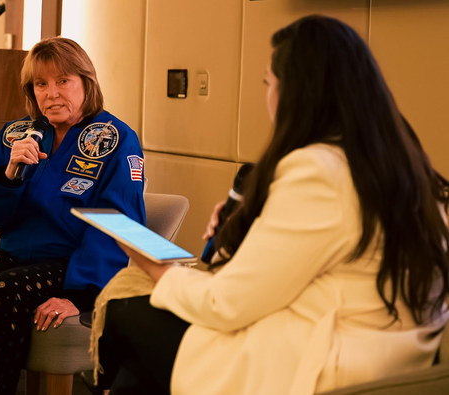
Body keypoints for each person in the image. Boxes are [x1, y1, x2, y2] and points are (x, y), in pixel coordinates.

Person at [92, 15, 449, 395]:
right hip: (397, 354)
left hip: (326, 362)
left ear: (297, 92)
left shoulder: (319, 170)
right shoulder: (404, 165)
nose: (267, 96)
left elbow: (226, 302)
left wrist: (149, 260)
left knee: (126, 312)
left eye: (268, 82)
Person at [0, 37, 145, 395]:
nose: (52, 93)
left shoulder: (115, 138)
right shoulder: (17, 134)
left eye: (63, 81)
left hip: (68, 264)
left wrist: (81, 296)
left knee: (6, 288)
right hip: (13, 258)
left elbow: (118, 221)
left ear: (87, 82)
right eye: (41, 84)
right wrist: (7, 173)